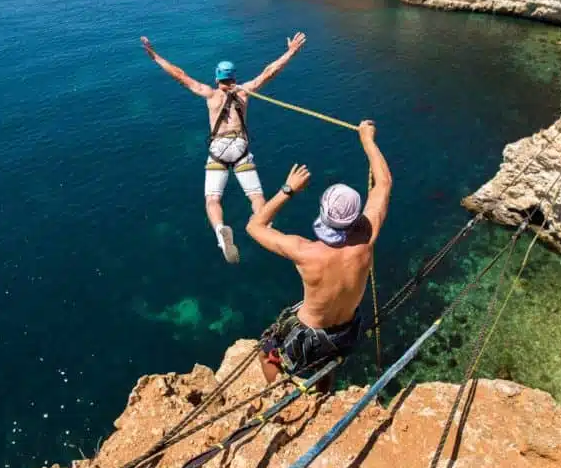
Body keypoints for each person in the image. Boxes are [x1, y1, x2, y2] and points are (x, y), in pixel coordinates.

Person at [246, 120, 393, 392]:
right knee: (328, 361)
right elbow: (383, 183)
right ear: (355, 217)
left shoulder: (306, 252)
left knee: (267, 345)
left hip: (307, 335)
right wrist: (367, 140)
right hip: (346, 332)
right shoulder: (366, 238)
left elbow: (254, 227)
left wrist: (288, 189)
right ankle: (323, 395)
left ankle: (276, 390)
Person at [140, 33, 306, 263]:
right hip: (240, 148)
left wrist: (153, 55)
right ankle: (264, 225)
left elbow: (180, 75)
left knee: (212, 200)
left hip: (218, 150)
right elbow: (270, 71)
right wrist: (291, 51)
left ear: (217, 78)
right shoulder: (245, 92)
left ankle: (220, 232)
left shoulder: (209, 94)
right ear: (234, 77)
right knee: (256, 196)